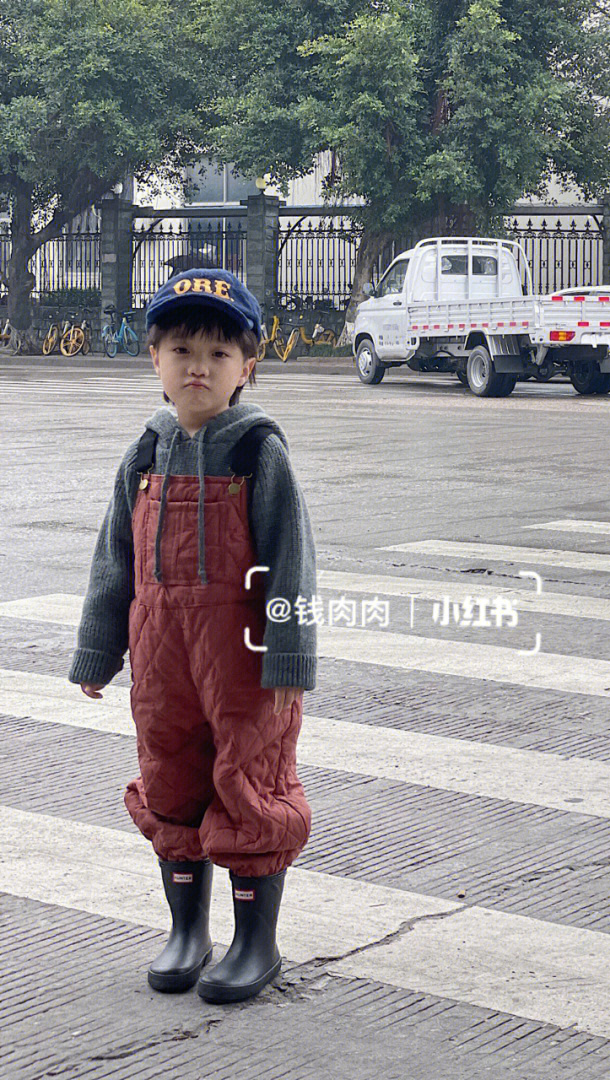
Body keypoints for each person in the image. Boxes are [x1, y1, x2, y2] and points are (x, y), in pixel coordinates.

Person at [68, 268, 317, 1004]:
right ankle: (187, 930)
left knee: (249, 780)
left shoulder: (257, 452)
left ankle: (254, 942)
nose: (197, 366)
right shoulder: (143, 454)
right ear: (155, 360)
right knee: (171, 774)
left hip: (242, 654)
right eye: (181, 349)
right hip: (161, 651)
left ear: (247, 367)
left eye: (216, 352)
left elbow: (292, 563)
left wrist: (290, 656)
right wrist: (98, 650)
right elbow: (113, 559)